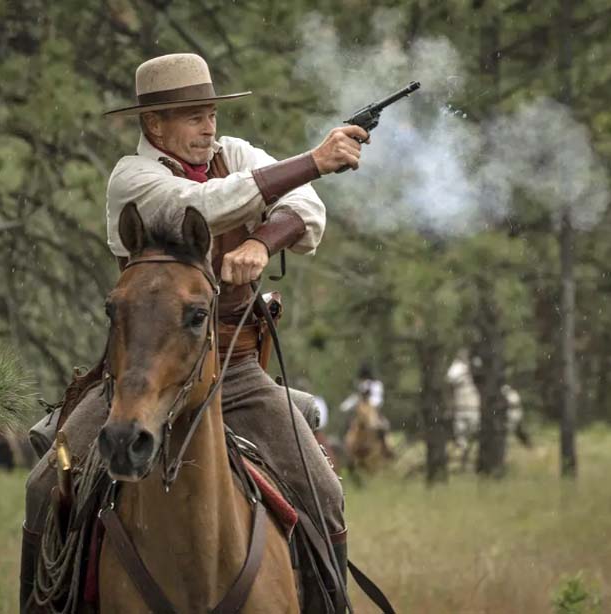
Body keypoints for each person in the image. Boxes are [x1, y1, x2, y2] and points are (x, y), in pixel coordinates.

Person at [21, 53, 368, 611]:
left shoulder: (236, 155)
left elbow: (308, 210)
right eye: (191, 116)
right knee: (44, 488)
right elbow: (203, 207)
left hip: (236, 367)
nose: (208, 127)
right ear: (153, 125)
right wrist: (313, 158)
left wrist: (261, 243)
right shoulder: (131, 179)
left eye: (210, 112)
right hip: (138, 374)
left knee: (322, 492)